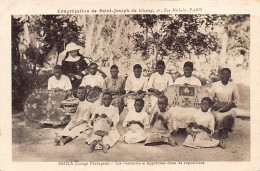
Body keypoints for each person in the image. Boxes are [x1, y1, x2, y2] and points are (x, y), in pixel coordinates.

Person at [171, 61, 202, 134]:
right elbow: (174, 92)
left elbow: (199, 93)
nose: (187, 71)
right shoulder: (178, 80)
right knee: (174, 110)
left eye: (189, 69)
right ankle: (179, 128)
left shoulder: (196, 81)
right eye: (186, 69)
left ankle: (187, 128)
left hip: (191, 103)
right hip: (180, 103)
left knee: (192, 111)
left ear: (192, 70)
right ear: (183, 69)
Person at [210, 68, 239, 139]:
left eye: (227, 74)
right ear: (220, 75)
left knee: (231, 115)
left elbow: (236, 100)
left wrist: (229, 107)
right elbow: (211, 98)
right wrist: (215, 106)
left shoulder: (233, 86)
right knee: (217, 116)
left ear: (230, 76)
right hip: (218, 107)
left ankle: (225, 130)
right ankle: (220, 130)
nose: (225, 76)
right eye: (223, 74)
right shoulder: (215, 85)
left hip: (229, 107)